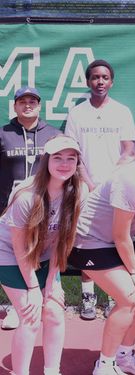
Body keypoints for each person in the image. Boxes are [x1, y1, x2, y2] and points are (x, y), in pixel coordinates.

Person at [68, 123, 135, 375]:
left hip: (119, 241)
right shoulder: (130, 179)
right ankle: (104, 365)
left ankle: (124, 355)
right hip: (88, 242)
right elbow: (119, 235)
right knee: (130, 298)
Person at [0, 134, 83, 375]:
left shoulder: (77, 193)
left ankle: (51, 371)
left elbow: (62, 239)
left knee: (55, 311)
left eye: (71, 158)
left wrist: (51, 283)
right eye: (58, 158)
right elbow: (19, 247)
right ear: (46, 161)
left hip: (45, 255)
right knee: (30, 314)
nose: (64, 164)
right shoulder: (26, 195)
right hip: (9, 255)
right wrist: (35, 289)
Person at [65, 59, 135, 321]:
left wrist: (111, 180)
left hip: (116, 188)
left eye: (105, 77)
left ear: (111, 81)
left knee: (115, 238)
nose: (100, 82)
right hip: (85, 188)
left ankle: (112, 296)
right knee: (87, 240)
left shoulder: (122, 112)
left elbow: (128, 150)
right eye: (95, 77)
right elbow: (73, 153)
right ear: (88, 82)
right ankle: (88, 296)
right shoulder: (77, 113)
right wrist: (89, 184)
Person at [0, 86, 61, 330]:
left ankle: (47, 295)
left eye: (32, 101)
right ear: (14, 106)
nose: (27, 105)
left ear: (39, 105)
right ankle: (18, 305)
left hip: (45, 210)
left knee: (40, 253)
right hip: (7, 210)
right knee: (15, 253)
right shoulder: (3, 133)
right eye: (22, 101)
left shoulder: (54, 135)